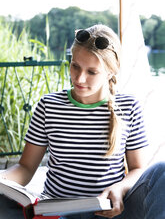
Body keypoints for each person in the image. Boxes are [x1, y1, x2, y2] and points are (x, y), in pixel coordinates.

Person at [0, 24, 165, 219]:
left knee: (161, 171)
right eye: (75, 66)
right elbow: (25, 168)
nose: (79, 78)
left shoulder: (128, 107)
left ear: (111, 72)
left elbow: (138, 169)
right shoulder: (48, 105)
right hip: (58, 211)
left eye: (92, 72)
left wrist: (120, 188)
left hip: (111, 211)